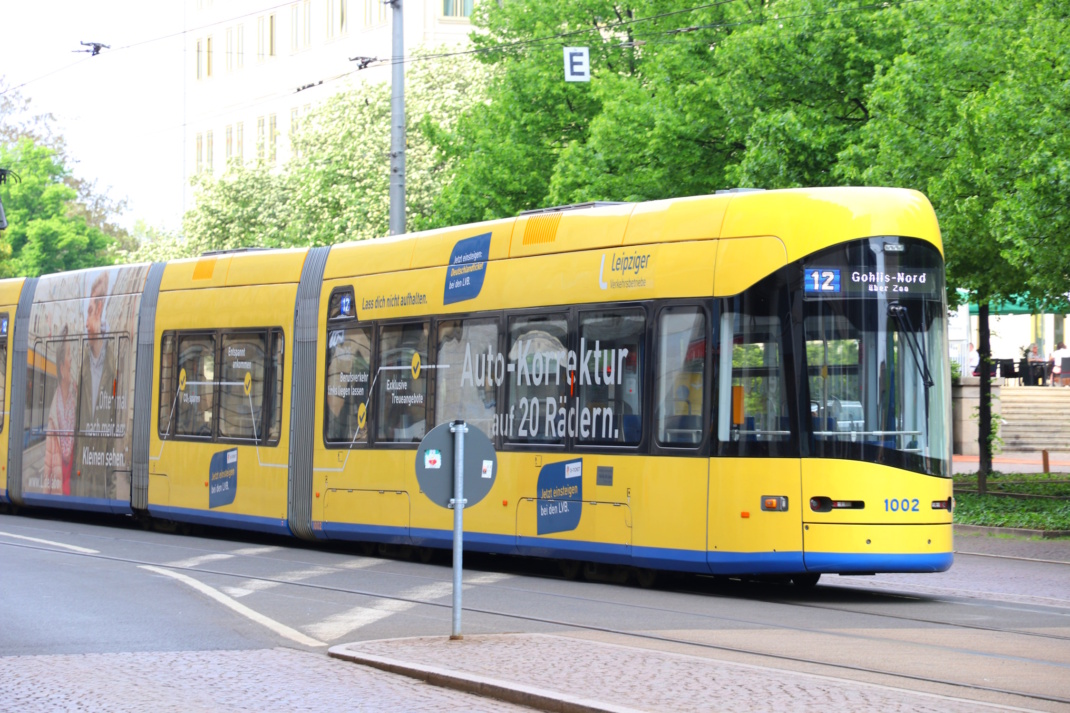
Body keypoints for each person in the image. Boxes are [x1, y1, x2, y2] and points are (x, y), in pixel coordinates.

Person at [76, 271, 118, 499]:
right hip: (81, 485)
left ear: (99, 311)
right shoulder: (80, 367)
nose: (85, 321)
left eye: (90, 311)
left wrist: (111, 495)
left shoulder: (114, 367)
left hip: (102, 486)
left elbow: (114, 440)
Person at [43, 333, 77, 495]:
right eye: (69, 354)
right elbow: (47, 470)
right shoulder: (53, 419)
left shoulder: (76, 405)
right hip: (59, 497)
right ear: (62, 369)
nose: (72, 359)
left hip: (75, 497)